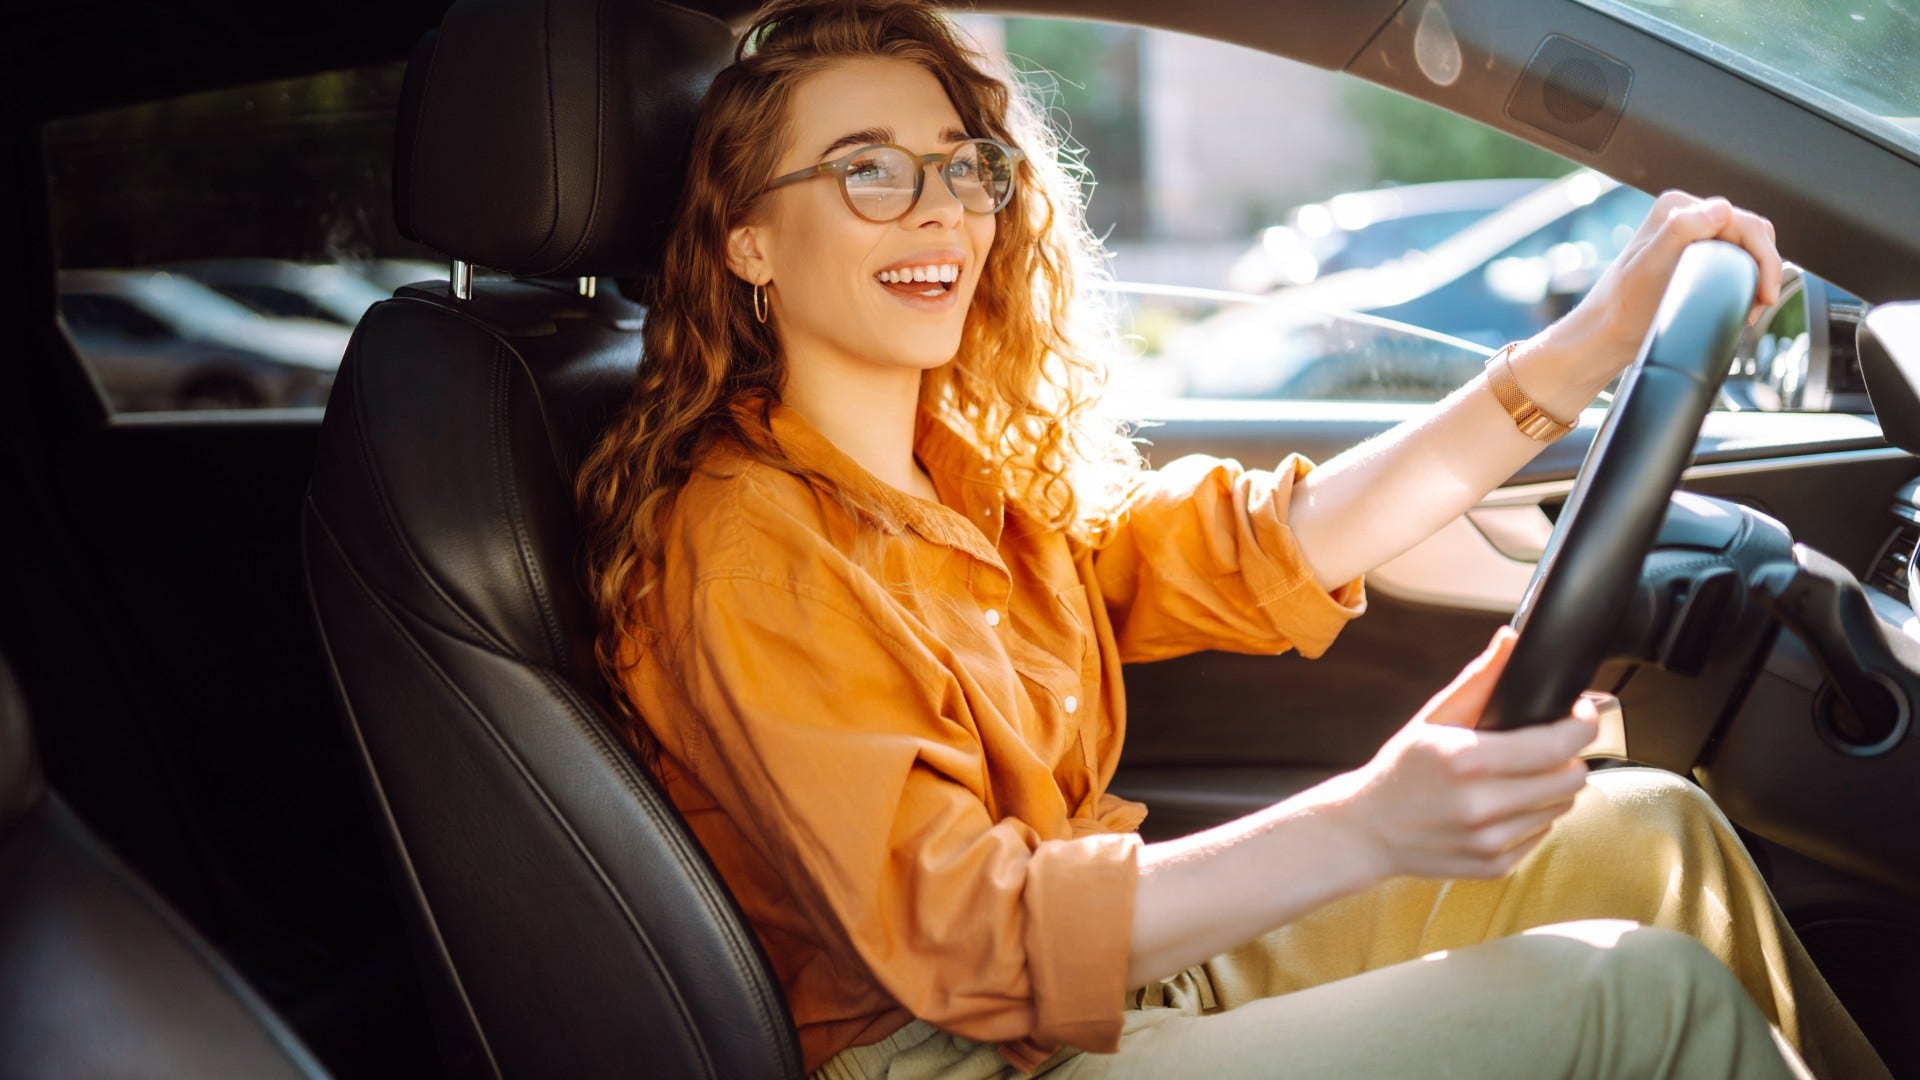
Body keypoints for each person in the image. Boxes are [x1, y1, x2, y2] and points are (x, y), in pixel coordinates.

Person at [576, 1, 1889, 1076]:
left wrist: (1590, 343)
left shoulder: (962, 475)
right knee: (1635, 1000)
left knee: (1658, 834)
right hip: (954, 1055)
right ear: (750, 241)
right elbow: (971, 943)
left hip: (1102, 988)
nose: (943, 211)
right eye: (870, 168)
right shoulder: (746, 543)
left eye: (967, 165)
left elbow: (1270, 540)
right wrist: (1373, 821)